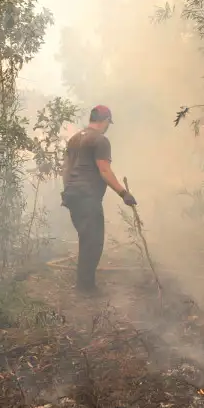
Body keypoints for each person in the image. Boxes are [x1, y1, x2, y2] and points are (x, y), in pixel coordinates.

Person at [61, 105, 137, 292]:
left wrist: (69, 190)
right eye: (108, 122)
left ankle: (84, 284)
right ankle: (86, 288)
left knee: (86, 239)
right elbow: (104, 170)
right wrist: (123, 193)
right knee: (93, 242)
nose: (108, 126)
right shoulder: (100, 141)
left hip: (72, 194)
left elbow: (66, 170)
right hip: (87, 197)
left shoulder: (74, 139)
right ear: (105, 121)